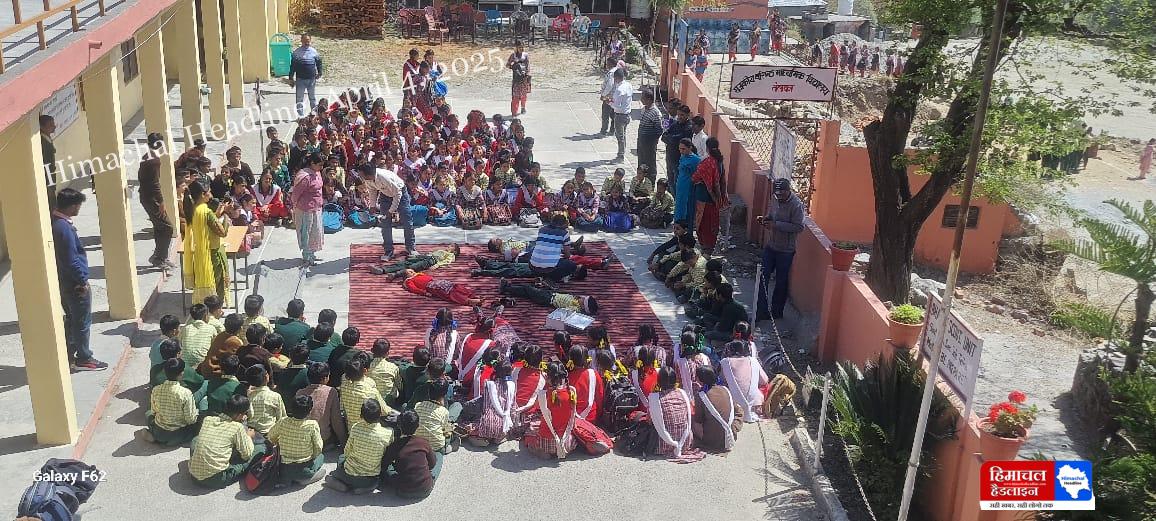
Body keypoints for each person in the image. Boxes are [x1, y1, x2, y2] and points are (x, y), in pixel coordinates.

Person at [50, 189, 107, 371]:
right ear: (72, 206)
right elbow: (71, 259)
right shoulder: (64, 228)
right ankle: (84, 358)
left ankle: (70, 353)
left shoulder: (56, 223)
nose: (79, 208)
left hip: (65, 281)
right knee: (81, 322)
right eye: (78, 205)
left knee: (72, 319)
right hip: (74, 284)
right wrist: (82, 281)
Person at [754, 178, 804, 320]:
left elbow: (799, 227)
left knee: (781, 282)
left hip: (786, 250)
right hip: (771, 246)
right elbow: (771, 216)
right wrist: (765, 220)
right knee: (763, 276)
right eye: (777, 194)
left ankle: (776, 312)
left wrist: (776, 225)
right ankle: (761, 310)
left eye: (782, 194)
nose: (779, 197)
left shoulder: (796, 205)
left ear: (788, 191)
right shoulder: (775, 199)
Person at [188, 394, 261, 488]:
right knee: (259, 448)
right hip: (215, 478)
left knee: (195, 439)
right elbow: (246, 455)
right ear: (240, 415)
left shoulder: (208, 419)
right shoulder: (237, 427)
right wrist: (249, 436)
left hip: (194, 476)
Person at [325, 399, 394, 494]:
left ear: (361, 415)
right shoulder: (388, 433)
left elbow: (347, 451)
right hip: (369, 477)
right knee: (377, 480)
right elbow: (387, 454)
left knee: (341, 458)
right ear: (380, 414)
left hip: (349, 473)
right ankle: (364, 488)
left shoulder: (355, 427)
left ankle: (342, 483)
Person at [182, 181, 231, 306]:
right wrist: (225, 216)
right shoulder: (206, 212)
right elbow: (222, 232)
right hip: (213, 252)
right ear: (203, 194)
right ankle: (216, 307)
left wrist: (217, 215)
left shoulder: (193, 208)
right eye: (209, 191)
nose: (211, 194)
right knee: (218, 283)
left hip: (200, 251)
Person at [137, 358, 200, 445]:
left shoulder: (156, 389)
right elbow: (191, 420)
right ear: (181, 374)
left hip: (160, 431)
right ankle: (171, 441)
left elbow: (154, 411)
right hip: (179, 433)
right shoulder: (186, 393)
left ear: (165, 372)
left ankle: (156, 437)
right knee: (197, 426)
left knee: (148, 414)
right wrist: (197, 412)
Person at [522, 362, 577, 459]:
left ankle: (545, 453)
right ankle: (562, 451)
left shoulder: (544, 394)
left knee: (530, 432)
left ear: (548, 377)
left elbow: (537, 407)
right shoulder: (572, 391)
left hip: (547, 439)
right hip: (566, 440)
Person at [266, 395, 325, 486]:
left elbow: (270, 436)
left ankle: (288, 479)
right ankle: (304, 478)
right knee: (321, 457)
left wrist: (278, 443)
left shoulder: (283, 421)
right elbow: (318, 447)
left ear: (291, 409)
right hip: (304, 467)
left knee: (289, 472)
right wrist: (314, 456)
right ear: (309, 411)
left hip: (284, 467)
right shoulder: (312, 425)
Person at [647, 366, 702, 461]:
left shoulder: (654, 397)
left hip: (662, 445)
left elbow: (649, 420)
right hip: (685, 442)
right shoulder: (683, 393)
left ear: (658, 381)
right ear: (675, 380)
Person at [381, 410, 441, 498]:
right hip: (425, 489)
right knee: (439, 455)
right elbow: (432, 465)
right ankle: (430, 477)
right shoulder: (423, 442)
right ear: (418, 426)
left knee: (387, 471)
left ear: (399, 425)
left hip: (403, 491)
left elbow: (384, 464)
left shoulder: (395, 445)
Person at [138, 132, 175, 269]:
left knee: (160, 227)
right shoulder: (154, 160)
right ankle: (159, 258)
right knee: (167, 227)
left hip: (146, 196)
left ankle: (160, 256)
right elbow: (154, 183)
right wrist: (161, 201)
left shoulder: (147, 157)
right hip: (152, 198)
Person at [691, 365, 741, 452]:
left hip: (713, 440)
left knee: (692, 421)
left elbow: (698, 420)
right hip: (732, 434)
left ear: (700, 379)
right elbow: (737, 409)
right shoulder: (725, 389)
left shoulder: (700, 396)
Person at [467, 359, 517, 446]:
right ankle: (498, 438)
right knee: (504, 430)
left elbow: (484, 405)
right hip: (504, 425)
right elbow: (513, 407)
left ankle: (484, 438)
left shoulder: (489, 384)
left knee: (471, 428)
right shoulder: (512, 385)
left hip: (487, 424)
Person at [296, 362, 347, 446]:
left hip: (303, 439)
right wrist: (343, 441)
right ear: (324, 378)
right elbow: (336, 420)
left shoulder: (300, 393)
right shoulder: (331, 392)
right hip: (323, 440)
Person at [693, 136, 727, 255]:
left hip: (704, 197)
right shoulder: (720, 162)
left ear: (707, 148)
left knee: (703, 223)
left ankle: (705, 248)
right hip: (715, 199)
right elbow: (721, 182)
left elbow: (695, 177)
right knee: (712, 223)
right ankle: (709, 247)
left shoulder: (707, 162)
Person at [720, 339, 769, 422]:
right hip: (754, 402)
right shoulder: (753, 361)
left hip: (734, 402)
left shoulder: (725, 362)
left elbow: (722, 379)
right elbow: (764, 381)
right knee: (764, 386)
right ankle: (757, 407)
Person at [291, 153, 326, 266]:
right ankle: (306, 256)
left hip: (316, 208)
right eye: (319, 165)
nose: (321, 167)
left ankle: (312, 253)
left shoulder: (317, 173)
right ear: (312, 163)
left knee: (315, 231)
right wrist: (294, 207)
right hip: (305, 209)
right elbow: (296, 194)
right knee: (306, 233)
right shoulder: (305, 177)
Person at [498, 279, 599, 315]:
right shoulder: (576, 300)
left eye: (583, 299)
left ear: (583, 306)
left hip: (547, 299)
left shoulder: (576, 308)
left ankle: (507, 287)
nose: (582, 298)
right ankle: (507, 289)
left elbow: (565, 311)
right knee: (526, 292)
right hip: (551, 294)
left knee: (527, 287)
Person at [341, 352, 389, 425]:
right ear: (364, 370)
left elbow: (342, 407)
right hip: (367, 426)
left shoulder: (343, 386)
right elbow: (384, 411)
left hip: (350, 426)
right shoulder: (371, 391)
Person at [529, 213, 581, 281]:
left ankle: (542, 277)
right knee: (572, 265)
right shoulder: (564, 233)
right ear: (563, 224)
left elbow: (547, 244)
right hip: (550, 269)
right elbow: (567, 255)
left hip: (532, 267)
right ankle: (552, 278)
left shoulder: (541, 230)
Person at [414, 379, 456, 454]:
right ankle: (448, 447)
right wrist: (451, 428)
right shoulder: (443, 411)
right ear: (444, 395)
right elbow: (444, 430)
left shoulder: (418, 405)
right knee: (449, 430)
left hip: (418, 444)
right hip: (436, 446)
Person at [198, 313, 245, 379]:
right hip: (217, 374)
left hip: (205, 369)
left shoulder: (220, 335)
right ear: (240, 328)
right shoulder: (237, 342)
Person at [369, 244, 459, 277]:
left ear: (454, 251)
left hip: (432, 260)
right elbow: (430, 253)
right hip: (425, 256)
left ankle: (395, 274)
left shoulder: (451, 255)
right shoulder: (441, 250)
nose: (448, 246)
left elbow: (446, 261)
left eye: (451, 246)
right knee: (405, 262)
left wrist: (437, 265)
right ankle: (382, 269)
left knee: (413, 267)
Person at [245, 365, 286, 436]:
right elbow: (282, 418)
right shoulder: (275, 396)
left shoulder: (248, 396)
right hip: (268, 434)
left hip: (251, 433)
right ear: (266, 377)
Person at [661, 105, 693, 193]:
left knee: (677, 183)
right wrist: (671, 138)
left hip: (679, 160)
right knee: (670, 181)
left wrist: (671, 138)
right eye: (678, 115)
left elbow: (679, 139)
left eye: (682, 115)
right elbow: (664, 136)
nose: (680, 117)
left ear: (687, 115)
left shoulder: (688, 127)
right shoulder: (675, 124)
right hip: (670, 157)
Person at [566, 346, 603, 421]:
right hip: (591, 417)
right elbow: (600, 397)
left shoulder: (566, 378)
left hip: (571, 419)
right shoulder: (594, 374)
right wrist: (599, 416)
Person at [290, 34, 323, 117]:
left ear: (310, 41)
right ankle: (300, 116)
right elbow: (293, 66)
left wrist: (320, 73)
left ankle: (314, 115)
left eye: (308, 40)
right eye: (304, 41)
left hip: (311, 79)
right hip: (300, 79)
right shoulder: (297, 52)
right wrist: (291, 77)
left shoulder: (314, 51)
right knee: (299, 98)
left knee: (312, 98)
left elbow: (319, 63)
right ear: (301, 41)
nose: (306, 42)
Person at [674, 138, 702, 230]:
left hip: (689, 186)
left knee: (687, 206)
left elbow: (698, 174)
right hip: (680, 185)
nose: (681, 151)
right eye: (680, 149)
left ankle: (686, 227)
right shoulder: (682, 157)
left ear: (690, 148)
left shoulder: (696, 160)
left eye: (683, 149)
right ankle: (677, 225)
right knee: (679, 205)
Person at [637, 89, 662, 178]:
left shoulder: (655, 112)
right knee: (641, 161)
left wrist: (650, 140)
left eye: (643, 98)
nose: (641, 100)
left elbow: (659, 130)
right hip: (641, 141)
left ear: (649, 99)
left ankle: (650, 180)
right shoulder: (644, 109)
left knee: (649, 163)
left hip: (649, 143)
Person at [610, 68, 633, 162]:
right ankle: (622, 153)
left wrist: (609, 102)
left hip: (620, 115)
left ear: (616, 78)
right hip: (627, 114)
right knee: (623, 135)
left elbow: (617, 105)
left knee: (620, 137)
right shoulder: (628, 85)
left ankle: (620, 156)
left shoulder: (619, 89)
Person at [368, 339, 401, 406]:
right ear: (387, 353)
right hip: (388, 402)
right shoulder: (393, 367)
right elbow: (399, 386)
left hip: (370, 402)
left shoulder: (366, 366)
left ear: (372, 350)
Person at [507, 39, 531, 116]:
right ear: (516, 47)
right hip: (516, 79)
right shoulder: (513, 55)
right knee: (515, 96)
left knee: (524, 95)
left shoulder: (525, 55)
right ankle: (514, 112)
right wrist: (513, 66)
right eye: (520, 47)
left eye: (523, 47)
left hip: (524, 78)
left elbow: (528, 65)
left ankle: (523, 107)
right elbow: (507, 65)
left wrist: (527, 74)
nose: (522, 49)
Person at [598, 57, 621, 135]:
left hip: (609, 96)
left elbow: (609, 85)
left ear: (611, 64)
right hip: (615, 95)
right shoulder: (617, 71)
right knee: (613, 114)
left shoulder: (611, 73)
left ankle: (604, 130)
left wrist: (603, 95)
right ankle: (612, 130)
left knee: (605, 114)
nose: (606, 65)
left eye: (607, 63)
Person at [41, 114, 58, 208]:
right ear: (42, 127)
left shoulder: (47, 138)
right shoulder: (42, 143)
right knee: (51, 204)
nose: (54, 126)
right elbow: (46, 165)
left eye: (53, 124)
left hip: (51, 176)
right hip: (48, 179)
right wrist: (49, 185)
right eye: (51, 125)